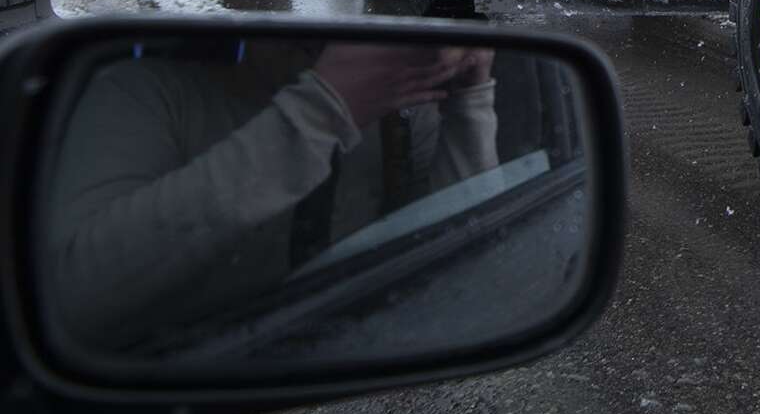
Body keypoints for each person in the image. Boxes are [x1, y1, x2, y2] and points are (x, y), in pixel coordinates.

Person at [44, 41, 500, 351]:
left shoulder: (396, 109)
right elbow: (76, 298)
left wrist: (471, 98)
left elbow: (461, 266)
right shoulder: (143, 91)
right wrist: (322, 111)